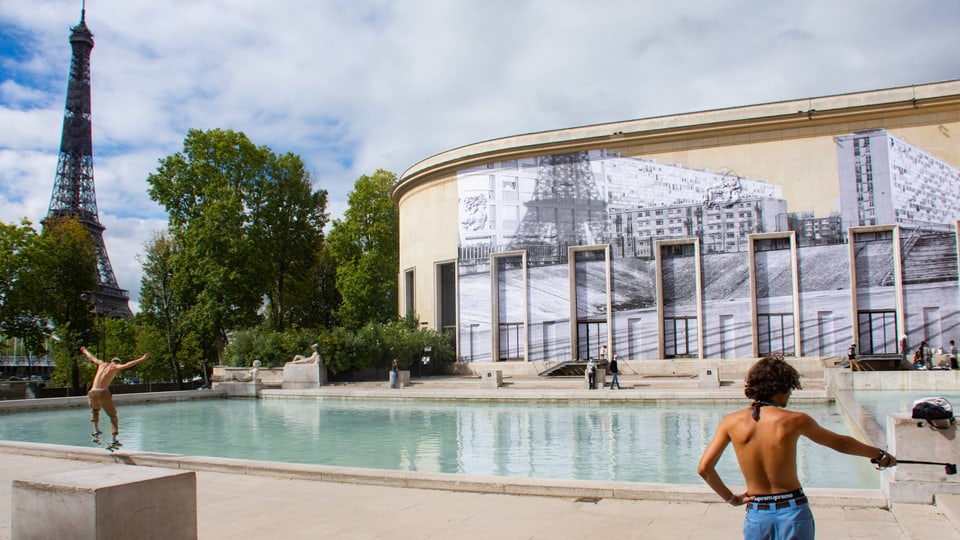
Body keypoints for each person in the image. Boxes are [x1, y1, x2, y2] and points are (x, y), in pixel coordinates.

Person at [698, 355, 895, 540]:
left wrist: (731, 498)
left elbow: (704, 469)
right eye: (790, 388)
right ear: (780, 388)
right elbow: (841, 443)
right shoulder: (794, 420)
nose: (790, 394)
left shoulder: (730, 422)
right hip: (792, 511)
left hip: (757, 514)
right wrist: (879, 454)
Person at [81, 346, 150, 447]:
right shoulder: (115, 367)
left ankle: (95, 430)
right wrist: (142, 358)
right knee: (113, 416)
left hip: (92, 392)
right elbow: (127, 365)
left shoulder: (101, 364)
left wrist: (85, 351)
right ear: (117, 363)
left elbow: (92, 357)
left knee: (94, 410)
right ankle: (114, 439)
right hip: (102, 393)